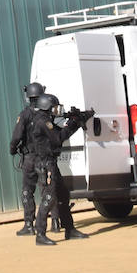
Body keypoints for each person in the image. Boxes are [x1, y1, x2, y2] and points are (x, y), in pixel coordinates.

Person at [26, 95, 94, 246]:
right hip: (45, 164)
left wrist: (75, 122)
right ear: (46, 107)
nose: (57, 110)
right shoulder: (42, 122)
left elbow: (58, 132)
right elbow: (58, 138)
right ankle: (40, 234)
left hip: (50, 163)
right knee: (49, 198)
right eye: (54, 107)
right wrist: (73, 124)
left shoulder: (44, 120)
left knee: (63, 195)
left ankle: (69, 229)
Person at [9, 81, 46, 236]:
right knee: (48, 190)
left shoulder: (24, 115)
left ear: (28, 96)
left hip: (30, 158)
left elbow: (17, 136)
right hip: (45, 158)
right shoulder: (46, 114)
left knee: (27, 191)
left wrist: (12, 149)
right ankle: (56, 223)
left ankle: (29, 225)